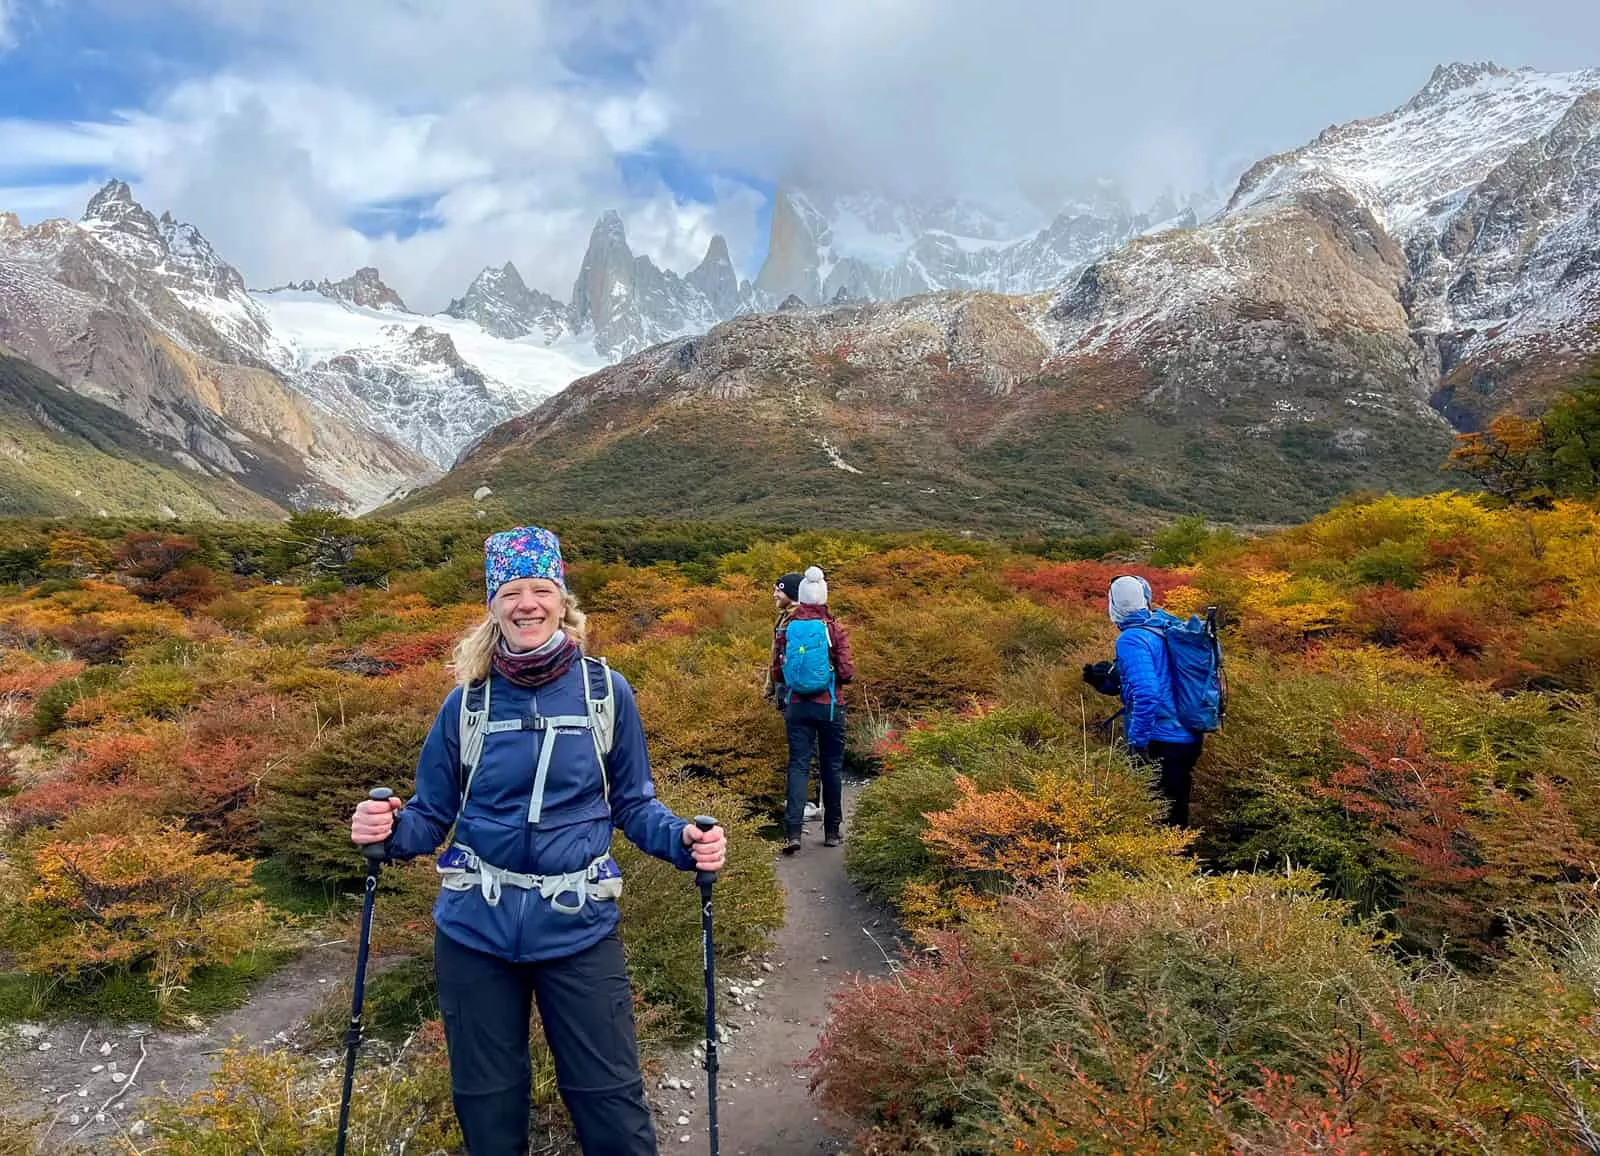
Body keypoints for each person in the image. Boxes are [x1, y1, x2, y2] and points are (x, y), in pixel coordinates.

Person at [349, 525, 726, 1156]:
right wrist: (384, 831)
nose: (528, 602)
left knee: (611, 1101)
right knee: (487, 1104)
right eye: (512, 591)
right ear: (493, 606)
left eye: (541, 588)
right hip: (474, 931)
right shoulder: (465, 702)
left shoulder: (606, 692)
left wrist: (683, 840)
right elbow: (429, 815)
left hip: (578, 928)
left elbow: (633, 805)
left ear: (561, 599)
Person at [769, 565, 854, 853]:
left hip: (796, 707)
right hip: (830, 706)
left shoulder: (788, 627)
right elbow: (847, 672)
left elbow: (778, 672)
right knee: (831, 766)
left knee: (798, 765)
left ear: (802, 598)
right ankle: (832, 830)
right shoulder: (833, 628)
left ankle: (792, 833)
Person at [1109, 574, 1203, 827]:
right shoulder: (1165, 624)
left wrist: (1137, 742)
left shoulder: (1131, 638)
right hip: (1188, 732)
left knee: (1157, 811)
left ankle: (1166, 862)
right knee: (1176, 805)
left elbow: (1148, 692)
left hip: (1160, 738)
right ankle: (1181, 858)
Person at [761, 571, 803, 707]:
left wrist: (769, 689)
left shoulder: (793, 619)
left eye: (779, 591)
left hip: (790, 689)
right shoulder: (788, 616)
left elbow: (777, 657)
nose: (774, 595)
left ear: (792, 593)